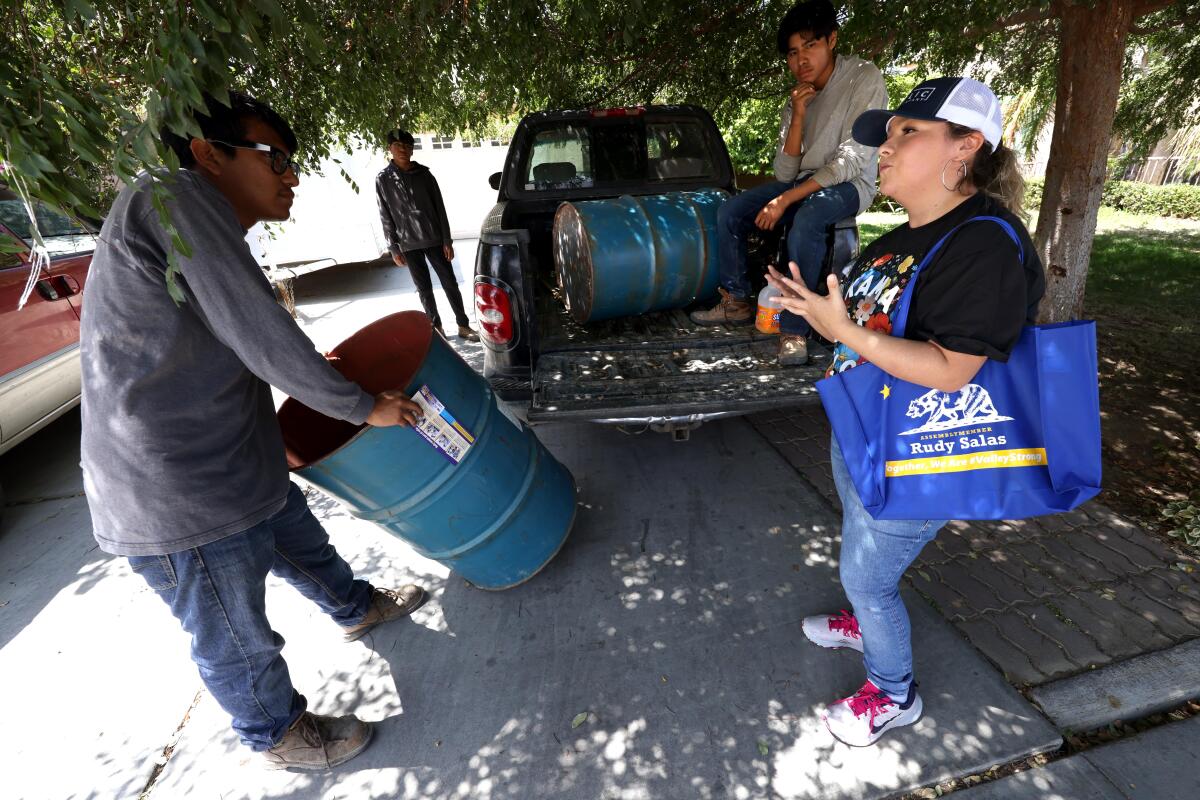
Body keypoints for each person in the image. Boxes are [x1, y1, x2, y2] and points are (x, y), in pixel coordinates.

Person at [81, 92, 431, 770]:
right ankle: (276, 732)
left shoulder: (190, 212)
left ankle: (355, 606)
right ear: (210, 154)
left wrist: (312, 371)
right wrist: (359, 405)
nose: (290, 176)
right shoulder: (176, 199)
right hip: (178, 486)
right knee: (235, 630)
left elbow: (241, 326)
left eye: (291, 163)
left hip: (231, 459)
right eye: (276, 158)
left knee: (295, 535)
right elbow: (256, 327)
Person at [766, 76, 1045, 746]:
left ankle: (895, 694)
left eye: (906, 132)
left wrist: (845, 334)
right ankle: (866, 619)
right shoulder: (912, 233)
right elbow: (868, 312)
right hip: (866, 430)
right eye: (888, 136)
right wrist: (813, 307)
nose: (884, 149)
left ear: (965, 147)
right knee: (860, 543)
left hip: (924, 451)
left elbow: (953, 371)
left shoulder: (985, 243)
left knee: (866, 573)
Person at [690, 0, 887, 367]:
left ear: (832, 39)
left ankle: (795, 329)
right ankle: (736, 299)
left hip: (851, 185)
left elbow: (852, 159)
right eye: (793, 53)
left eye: (810, 46)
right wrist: (797, 115)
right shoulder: (798, 96)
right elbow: (784, 173)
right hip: (802, 181)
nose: (802, 60)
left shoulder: (863, 77)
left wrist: (785, 201)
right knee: (732, 210)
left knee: (808, 219)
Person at [376, 128, 478, 341]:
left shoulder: (425, 174)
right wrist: (393, 247)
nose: (403, 150)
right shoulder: (383, 179)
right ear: (390, 149)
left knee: (449, 282)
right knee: (424, 289)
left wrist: (447, 240)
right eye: (398, 146)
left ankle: (463, 325)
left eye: (407, 146)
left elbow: (440, 207)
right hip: (408, 244)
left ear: (412, 149)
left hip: (434, 238)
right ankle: (437, 328)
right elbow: (384, 214)